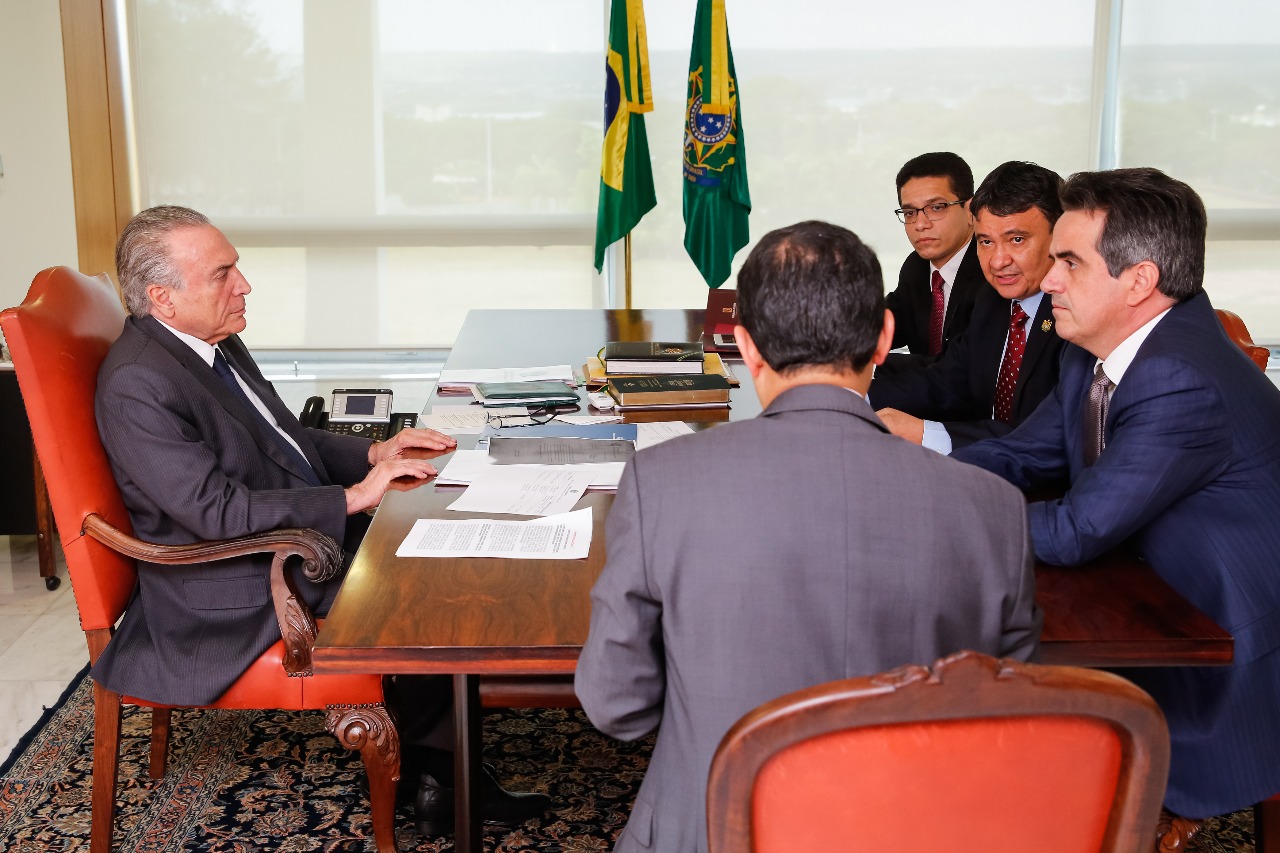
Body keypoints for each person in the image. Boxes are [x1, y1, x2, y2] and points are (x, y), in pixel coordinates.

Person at [576, 220, 1042, 853]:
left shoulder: (662, 481)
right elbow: (1008, 710)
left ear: (744, 345)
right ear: (884, 336)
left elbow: (615, 703)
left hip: (712, 825)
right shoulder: (995, 507)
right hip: (919, 828)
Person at [93, 205, 548, 836]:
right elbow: (211, 511)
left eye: (238, 269)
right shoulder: (138, 381)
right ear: (163, 299)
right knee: (429, 575)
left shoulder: (209, 341)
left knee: (435, 528)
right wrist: (355, 498)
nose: (243, 286)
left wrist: (373, 452)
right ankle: (444, 777)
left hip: (273, 534)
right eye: (223, 274)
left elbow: (283, 437)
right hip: (227, 580)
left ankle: (440, 762)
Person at [953, 168, 1280, 830]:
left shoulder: (1178, 375)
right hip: (1149, 597)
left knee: (1021, 741)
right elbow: (1023, 453)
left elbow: (1077, 529)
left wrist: (934, 518)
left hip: (1223, 657)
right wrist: (911, 475)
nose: (1047, 281)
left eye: (1068, 261)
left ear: (1139, 280)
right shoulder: (1095, 347)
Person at [872, 161, 1066, 453]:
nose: (998, 261)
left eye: (1016, 240)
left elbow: (1045, 440)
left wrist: (924, 433)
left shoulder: (1074, 313)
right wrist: (846, 395)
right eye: (986, 241)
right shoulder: (994, 300)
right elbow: (947, 382)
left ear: (1059, 237)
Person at [879, 151, 986, 376]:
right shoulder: (916, 267)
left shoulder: (990, 270)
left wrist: (871, 367)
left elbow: (958, 369)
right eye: (910, 212)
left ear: (970, 210)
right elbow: (886, 324)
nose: (920, 224)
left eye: (936, 208)